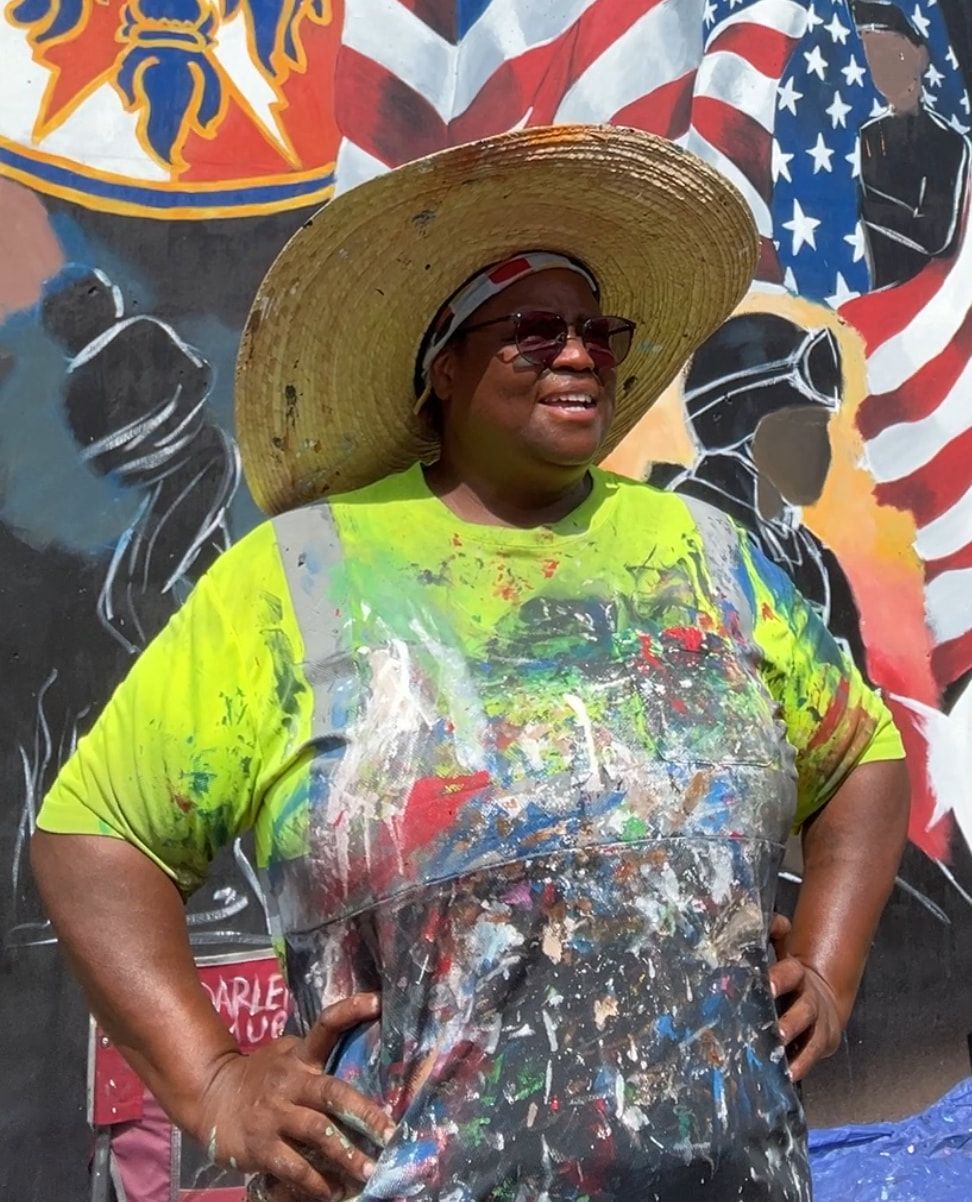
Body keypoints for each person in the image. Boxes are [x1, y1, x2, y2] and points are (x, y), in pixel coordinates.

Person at [32, 125, 909, 1202]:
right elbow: (95, 836)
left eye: (598, 328)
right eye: (536, 331)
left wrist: (826, 960)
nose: (580, 353)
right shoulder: (301, 576)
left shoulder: (702, 551)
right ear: (443, 366)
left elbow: (861, 750)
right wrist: (215, 1078)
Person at [853, 0, 969, 289]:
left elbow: (934, 234)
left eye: (892, 52)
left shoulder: (949, 142)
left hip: (931, 307)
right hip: (881, 297)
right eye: (872, 55)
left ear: (921, 56)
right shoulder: (868, 135)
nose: (883, 66)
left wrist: (863, 204)